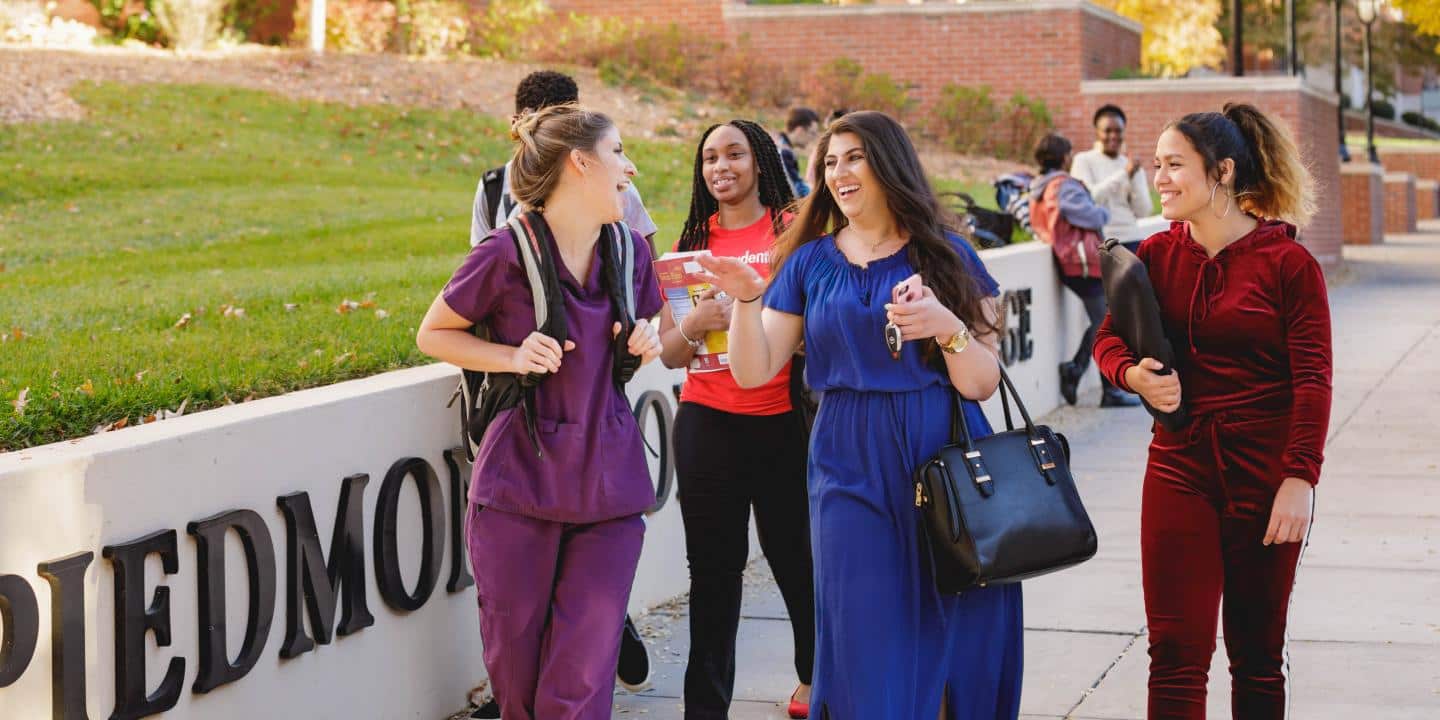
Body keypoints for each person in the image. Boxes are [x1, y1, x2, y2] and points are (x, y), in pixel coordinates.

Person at [699, 111, 1023, 719]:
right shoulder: (809, 260)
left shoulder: (948, 254)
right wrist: (746, 299)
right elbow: (753, 368)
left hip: (942, 455)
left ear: (889, 164)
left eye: (855, 158)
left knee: (951, 617)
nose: (840, 173)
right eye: (830, 162)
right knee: (864, 622)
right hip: (846, 457)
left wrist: (946, 329)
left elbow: (982, 380)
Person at [417, 104, 664, 720]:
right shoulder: (505, 253)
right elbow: (435, 333)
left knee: (581, 672)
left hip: (609, 484)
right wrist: (511, 354)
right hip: (518, 484)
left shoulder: (630, 251)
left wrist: (649, 339)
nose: (629, 168)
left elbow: (660, 325)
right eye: (618, 152)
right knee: (518, 680)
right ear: (580, 163)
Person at [1093, 103, 1329, 719]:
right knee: (1174, 653)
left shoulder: (1288, 265)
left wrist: (1300, 478)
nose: (1160, 177)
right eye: (1157, 165)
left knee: (1256, 656)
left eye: (1175, 165)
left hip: (1266, 475)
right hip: (1178, 469)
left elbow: (1313, 379)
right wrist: (1133, 374)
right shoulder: (1155, 255)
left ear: (1222, 172)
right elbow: (1108, 339)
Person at [657, 120, 815, 720]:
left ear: (760, 161)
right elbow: (672, 351)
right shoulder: (694, 243)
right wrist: (696, 324)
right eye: (709, 159)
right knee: (714, 576)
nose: (720, 167)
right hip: (707, 424)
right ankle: (705, 709)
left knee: (796, 562)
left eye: (734, 154)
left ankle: (814, 680)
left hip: (781, 422)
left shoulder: (792, 233)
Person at [471, 70, 658, 246]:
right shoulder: (492, 188)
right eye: (538, 129)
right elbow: (481, 268)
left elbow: (651, 268)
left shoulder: (613, 186)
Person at [1029, 133, 1141, 409]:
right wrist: (1101, 213)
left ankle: (1079, 371)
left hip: (1070, 261)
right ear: (1063, 156)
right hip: (1080, 263)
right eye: (1069, 153)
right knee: (1108, 322)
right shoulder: (1062, 186)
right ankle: (1097, 383)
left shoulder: (1041, 185)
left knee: (1105, 320)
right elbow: (1087, 214)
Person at [1070, 104, 1155, 250]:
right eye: (1107, 131)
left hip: (1132, 238)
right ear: (1097, 133)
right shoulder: (1083, 160)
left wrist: (1134, 177)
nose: (1113, 136)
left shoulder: (1131, 165)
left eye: (1118, 131)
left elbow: (1144, 211)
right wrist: (1124, 174)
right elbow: (1089, 199)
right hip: (1101, 242)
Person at [776, 106, 821, 198]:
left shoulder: (781, 146)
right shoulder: (783, 152)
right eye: (812, 133)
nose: (813, 138)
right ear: (799, 130)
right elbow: (796, 190)